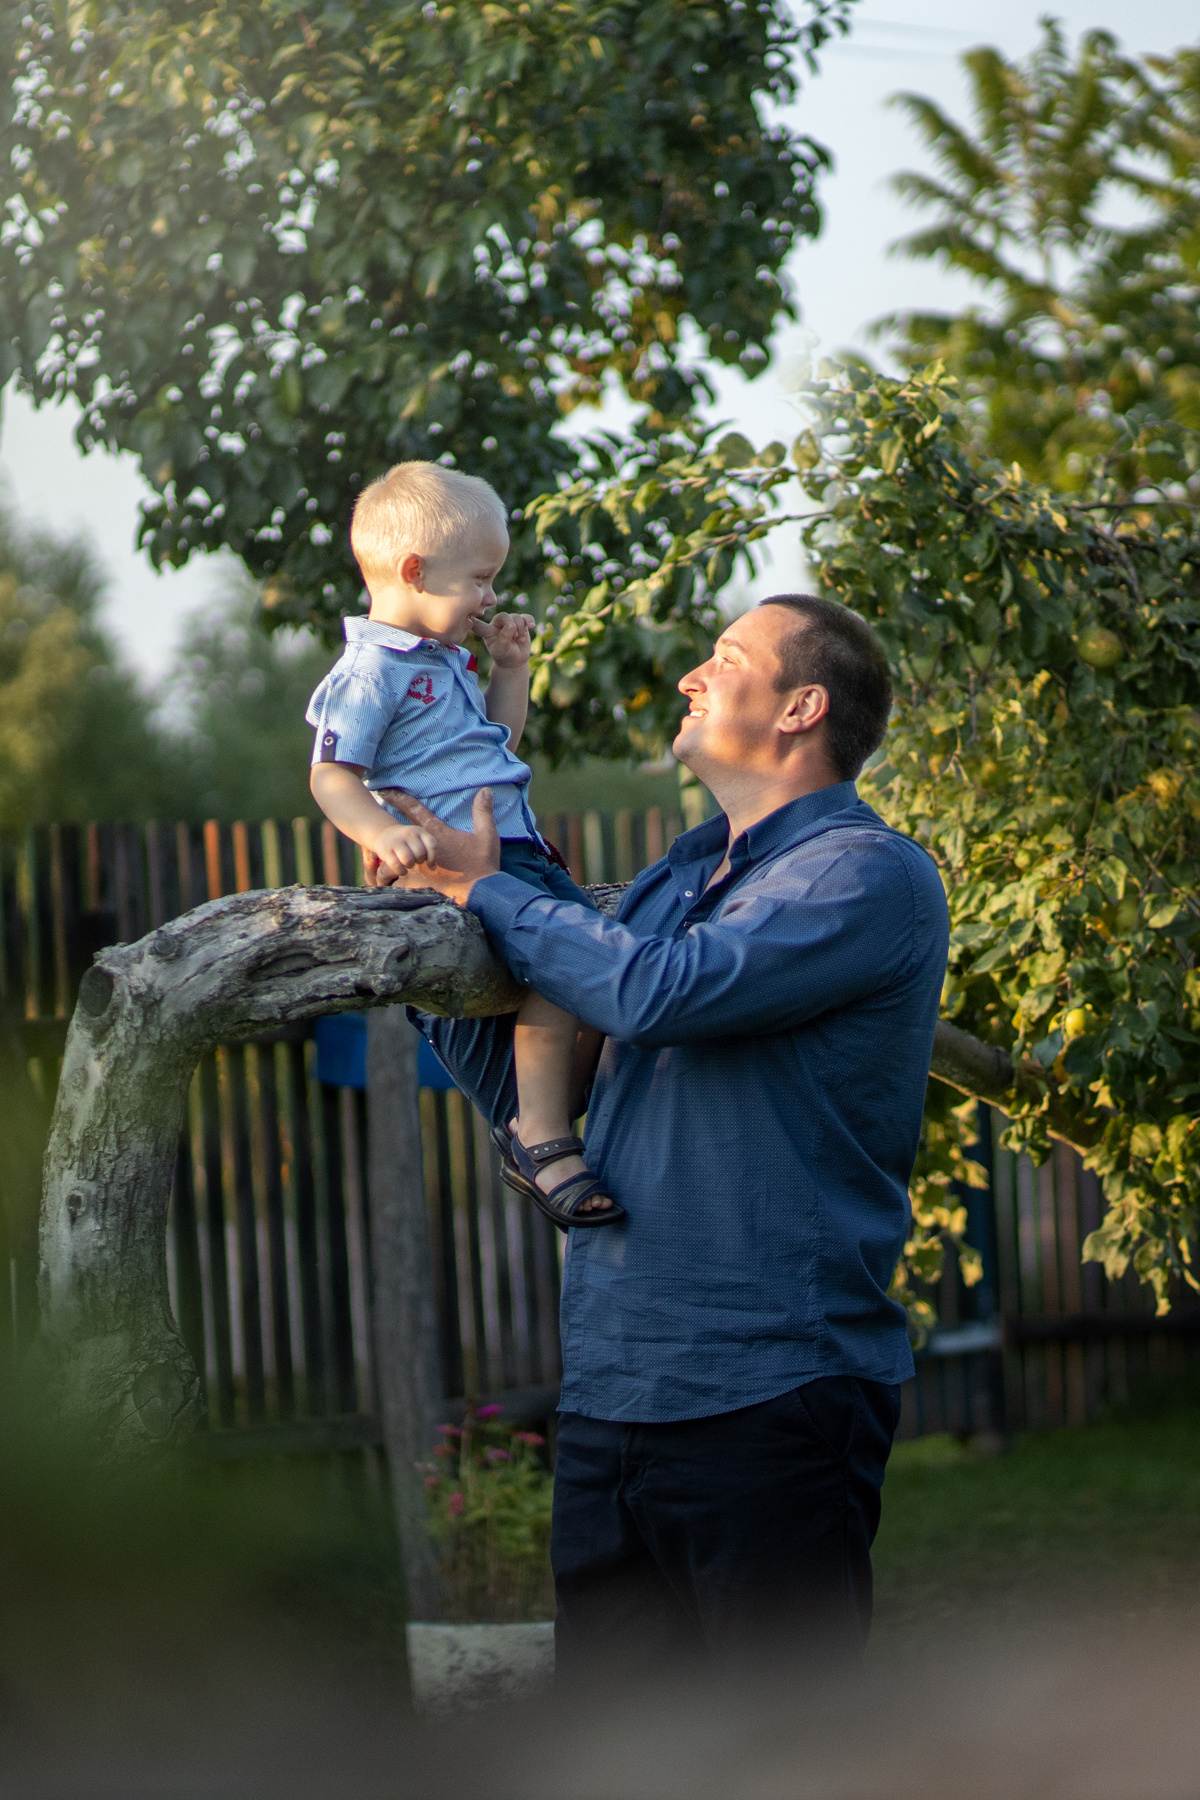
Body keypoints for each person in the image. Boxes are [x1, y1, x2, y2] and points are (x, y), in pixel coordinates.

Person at [368, 595, 950, 1679]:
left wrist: (493, 887)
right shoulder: (674, 882)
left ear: (801, 708)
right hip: (613, 1392)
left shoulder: (865, 874)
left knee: (786, 1760)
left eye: (724, 659)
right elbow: (541, 1080)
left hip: (774, 1392)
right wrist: (429, 917)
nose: (690, 676)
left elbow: (658, 994)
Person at [306, 461, 617, 1228]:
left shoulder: (442, 664)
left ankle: (559, 1118)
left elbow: (495, 747)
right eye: (480, 580)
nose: (490, 598)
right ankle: (540, 1136)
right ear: (415, 571)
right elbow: (330, 777)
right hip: (464, 868)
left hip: (520, 852)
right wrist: (386, 831)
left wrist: (513, 671)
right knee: (566, 961)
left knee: (598, 961)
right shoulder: (371, 670)